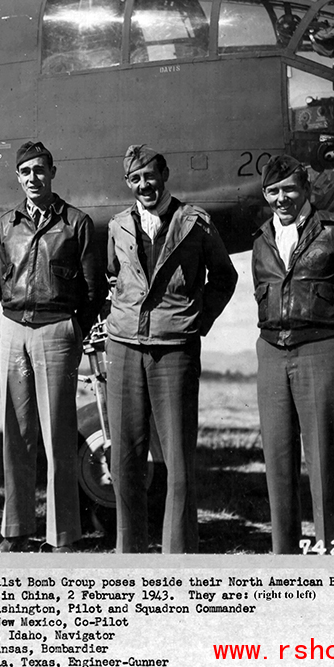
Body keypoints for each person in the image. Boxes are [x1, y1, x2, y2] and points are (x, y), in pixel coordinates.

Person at [106, 145, 237, 553]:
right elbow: (115, 276)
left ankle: (177, 553)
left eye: (150, 176)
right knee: (124, 456)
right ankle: (129, 552)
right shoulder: (118, 226)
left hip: (174, 349)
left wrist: (198, 321)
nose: (144, 185)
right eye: (135, 179)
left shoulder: (194, 222)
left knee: (178, 457)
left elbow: (225, 277)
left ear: (165, 175)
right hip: (124, 347)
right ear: (128, 183)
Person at [252, 154, 334, 554]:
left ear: (306, 189)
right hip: (271, 353)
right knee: (278, 462)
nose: (281, 199)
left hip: (322, 352)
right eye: (273, 191)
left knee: (325, 463)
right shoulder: (261, 239)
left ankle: (331, 556)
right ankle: (285, 559)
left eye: (289, 189)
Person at [0, 141, 103, 553]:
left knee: (57, 434)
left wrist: (74, 329)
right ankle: (15, 532)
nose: (33, 178)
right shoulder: (6, 225)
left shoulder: (76, 223)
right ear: (18, 177)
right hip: (14, 330)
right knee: (15, 434)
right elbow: (1, 278)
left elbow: (92, 289)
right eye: (25, 171)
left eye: (40, 170)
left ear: (52, 172)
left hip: (57, 330)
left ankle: (63, 536)